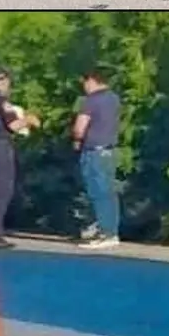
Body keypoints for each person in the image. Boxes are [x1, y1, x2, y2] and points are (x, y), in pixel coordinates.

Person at [0, 68, 40, 249]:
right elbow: (13, 125)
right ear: (0, 82)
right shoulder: (1, 101)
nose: (8, 87)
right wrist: (29, 120)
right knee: (1, 191)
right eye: (7, 83)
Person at [72, 69, 122, 249]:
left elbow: (80, 127)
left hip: (94, 150)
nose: (84, 87)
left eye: (85, 82)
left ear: (92, 80)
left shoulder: (90, 101)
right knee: (108, 192)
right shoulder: (114, 98)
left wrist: (77, 141)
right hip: (109, 150)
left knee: (97, 192)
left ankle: (105, 233)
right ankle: (110, 230)